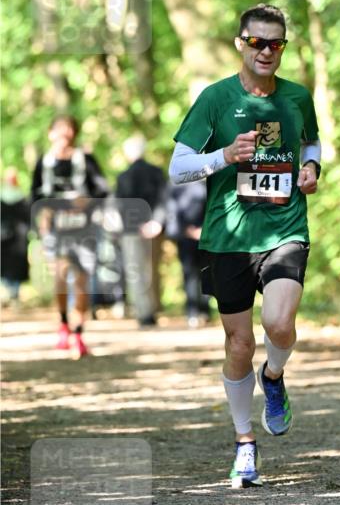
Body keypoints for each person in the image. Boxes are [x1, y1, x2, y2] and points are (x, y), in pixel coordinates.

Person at [169, 3, 321, 489]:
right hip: (227, 238)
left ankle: (273, 377)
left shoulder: (297, 97)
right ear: (241, 43)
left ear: (283, 48)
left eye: (275, 43)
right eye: (257, 42)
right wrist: (223, 156)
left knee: (279, 323)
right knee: (239, 343)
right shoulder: (215, 98)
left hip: (285, 229)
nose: (266, 51)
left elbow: (311, 143)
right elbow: (178, 168)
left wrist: (312, 168)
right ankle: (244, 442)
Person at [30, 114, 108, 357]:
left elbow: (103, 190)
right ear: (50, 133)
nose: (64, 134)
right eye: (60, 129)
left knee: (82, 280)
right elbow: (33, 195)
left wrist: (87, 202)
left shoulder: (85, 159)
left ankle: (78, 332)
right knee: (61, 276)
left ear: (74, 133)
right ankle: (64, 323)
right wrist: (42, 214)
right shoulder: (44, 162)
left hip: (83, 228)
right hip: (57, 229)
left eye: (69, 129)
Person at [116, 135, 167, 327]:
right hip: (154, 228)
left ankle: (145, 312)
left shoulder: (123, 177)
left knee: (136, 270)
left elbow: (120, 206)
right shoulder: (156, 172)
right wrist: (156, 222)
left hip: (132, 230)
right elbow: (164, 200)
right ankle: (152, 309)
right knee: (152, 269)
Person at [165, 178, 212, 327]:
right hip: (185, 238)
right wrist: (186, 230)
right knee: (189, 275)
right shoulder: (175, 184)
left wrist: (205, 230)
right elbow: (171, 210)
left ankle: (205, 311)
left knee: (207, 273)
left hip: (207, 236)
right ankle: (192, 312)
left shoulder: (208, 183)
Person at [0, 168, 30, 305]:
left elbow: (28, 218)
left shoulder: (22, 198)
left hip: (19, 237)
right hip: (4, 237)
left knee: (17, 265)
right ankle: (7, 292)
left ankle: (14, 293)